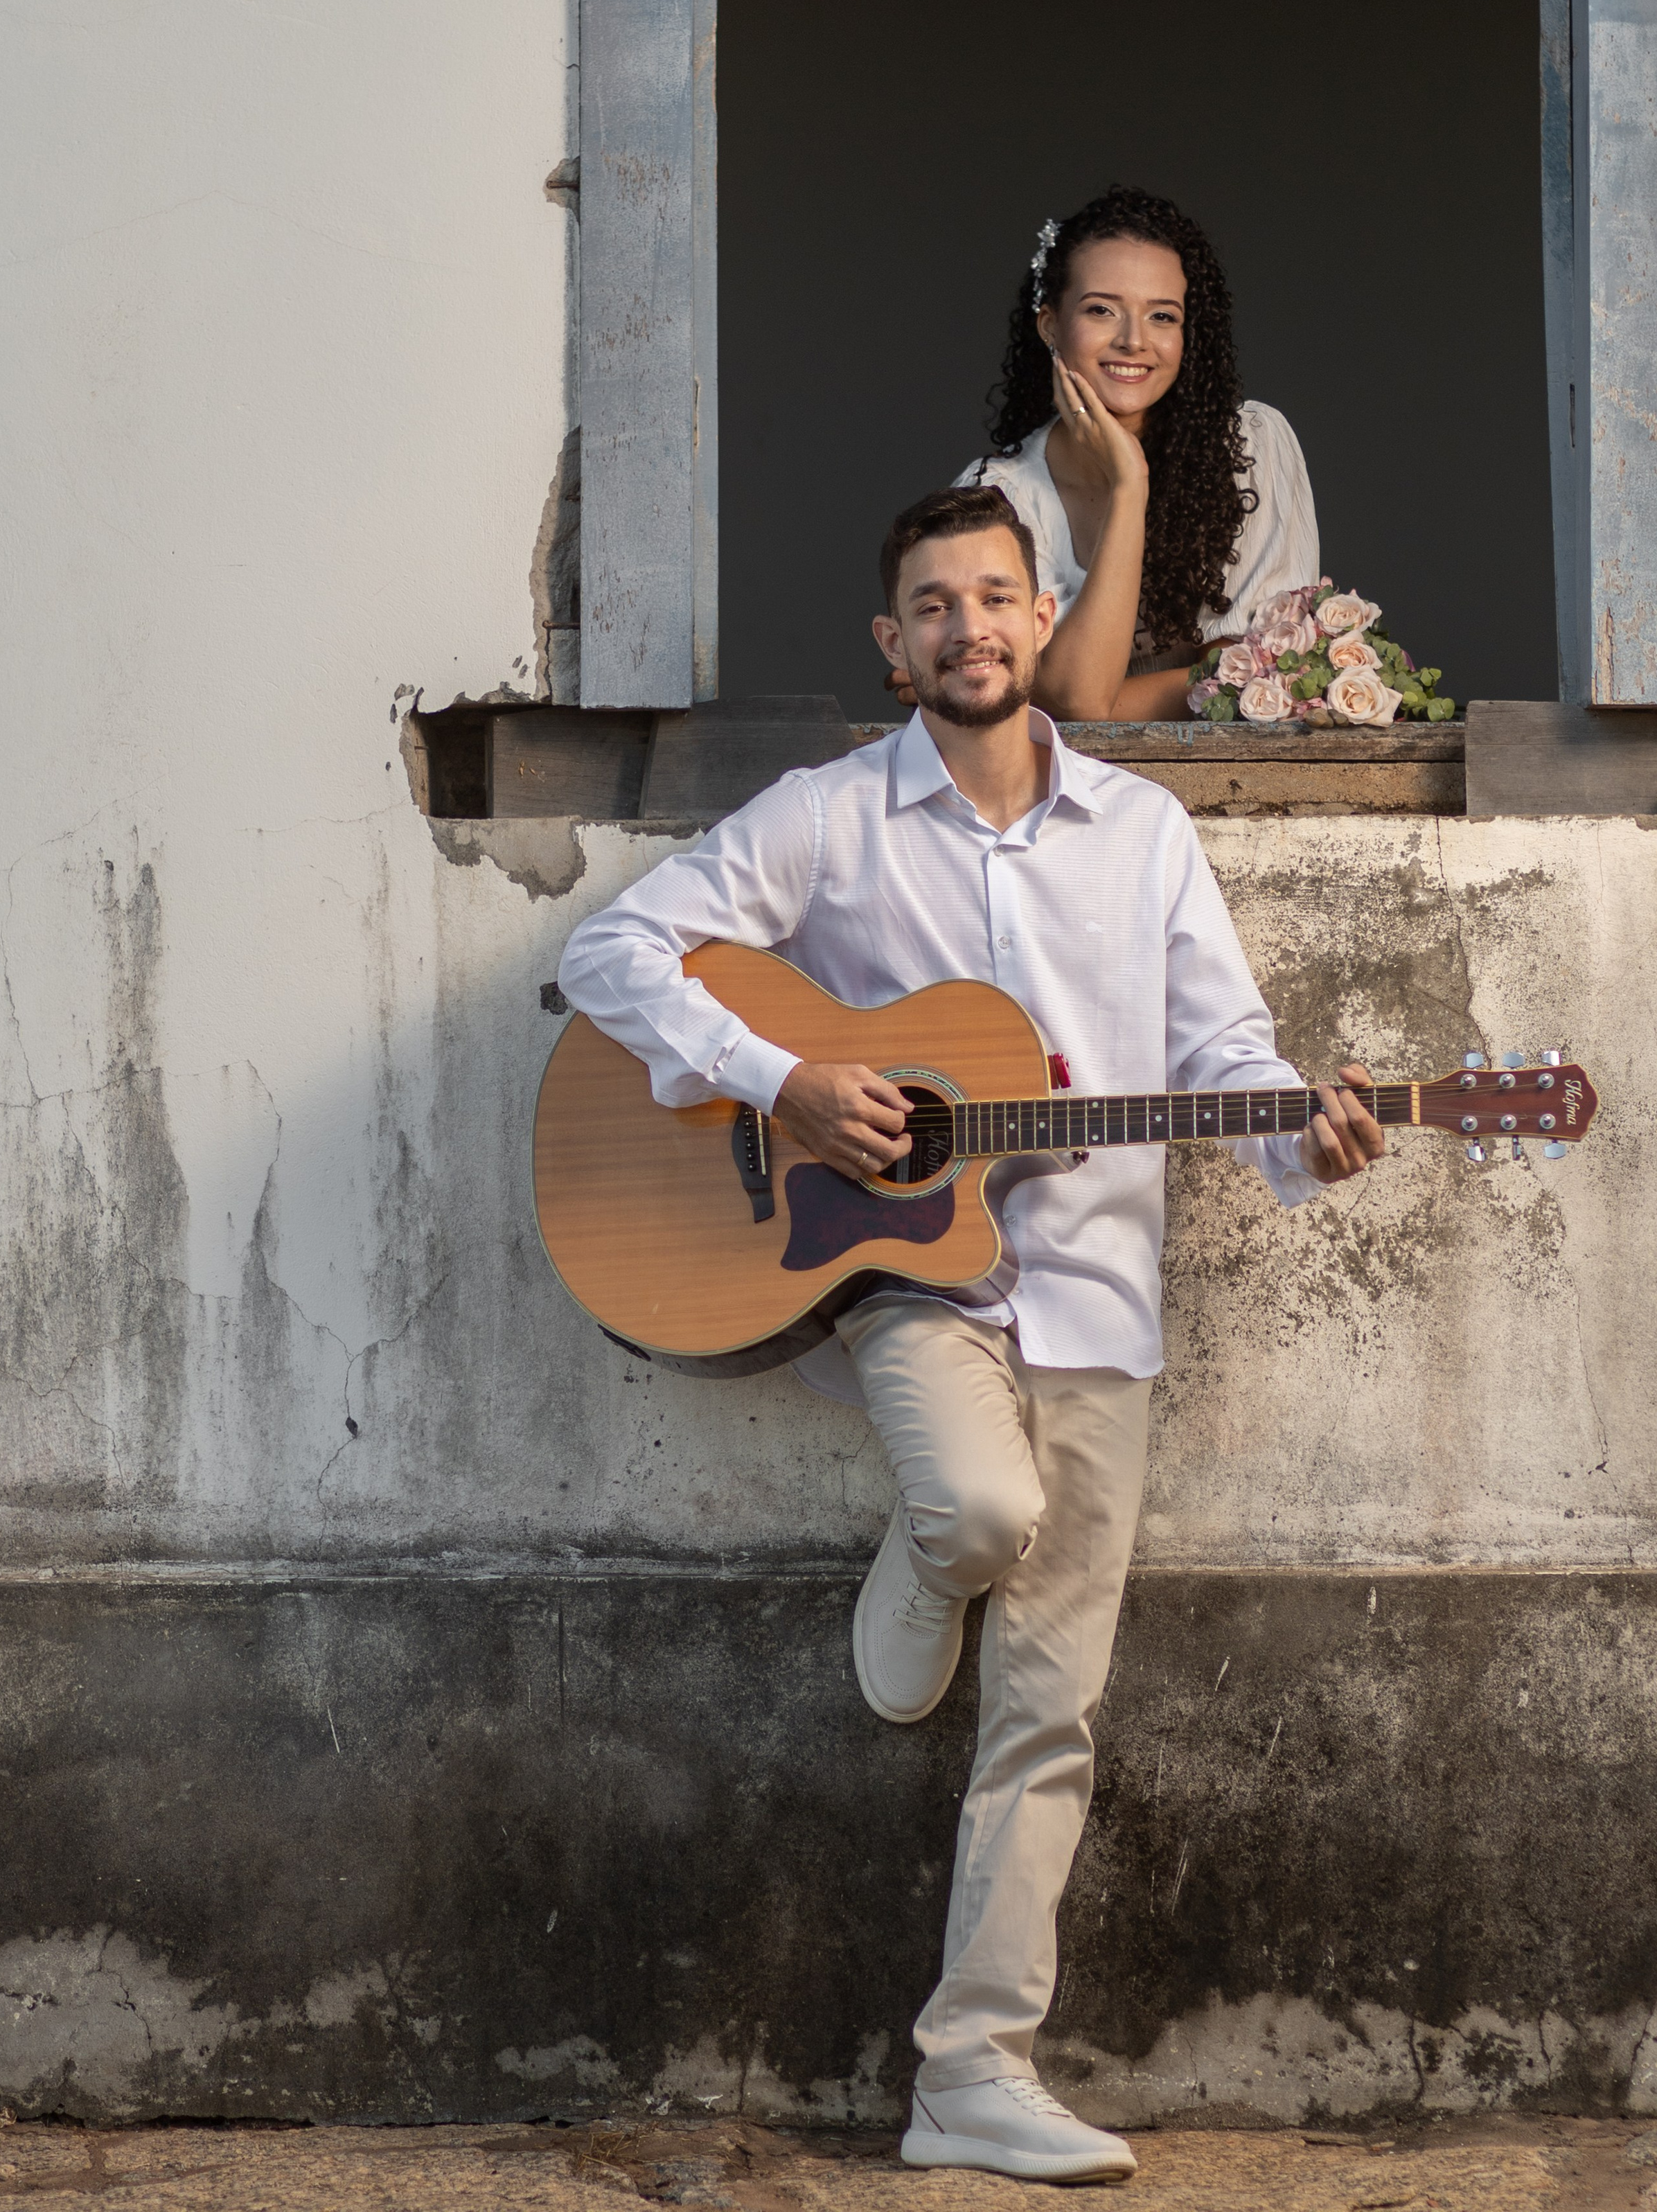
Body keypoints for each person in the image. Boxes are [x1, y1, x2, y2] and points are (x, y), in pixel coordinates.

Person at [557, 485, 1381, 2184]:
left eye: (994, 598)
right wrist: (785, 1075)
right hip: (909, 1280)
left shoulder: (1140, 832)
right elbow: (610, 945)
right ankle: (930, 1550)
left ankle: (969, 2069)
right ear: (894, 642)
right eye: (931, 606)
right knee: (982, 1513)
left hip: (1092, 1297)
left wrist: (1309, 1125)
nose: (967, 629)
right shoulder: (831, 818)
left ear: (1037, 616)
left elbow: (1223, 1056)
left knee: (1046, 1710)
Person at [938, 184, 1319, 722]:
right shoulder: (996, 497)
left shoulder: (1251, 447)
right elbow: (1080, 699)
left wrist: (1050, 696)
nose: (1134, 341)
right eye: (1102, 310)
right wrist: (1129, 485)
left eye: (1162, 316)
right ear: (1050, 325)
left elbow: (1252, 674)